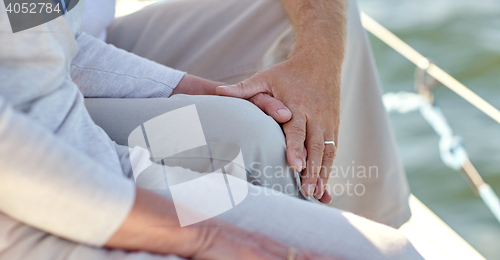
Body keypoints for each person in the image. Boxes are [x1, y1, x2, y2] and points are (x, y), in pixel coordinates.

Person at [0, 1, 475, 260]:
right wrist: (200, 235)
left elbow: (43, 43)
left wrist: (197, 89)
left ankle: (347, 213)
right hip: (26, 236)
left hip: (97, 159)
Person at [75, 0, 411, 228]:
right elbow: (36, 52)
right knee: (247, 132)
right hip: (46, 90)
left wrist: (318, 66)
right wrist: (208, 92)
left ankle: (369, 240)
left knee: (320, 21)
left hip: (89, 35)